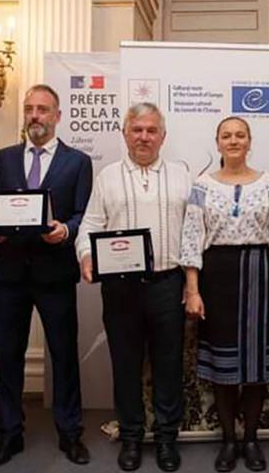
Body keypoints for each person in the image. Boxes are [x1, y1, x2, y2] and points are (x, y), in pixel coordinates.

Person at [76, 103, 192, 472]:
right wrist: (85, 256)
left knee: (168, 364)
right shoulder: (107, 176)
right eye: (137, 129)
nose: (144, 137)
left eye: (151, 130)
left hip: (167, 282)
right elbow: (91, 224)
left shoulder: (181, 175)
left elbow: (194, 230)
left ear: (163, 136)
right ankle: (130, 436)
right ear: (125, 133)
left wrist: (192, 284)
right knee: (125, 363)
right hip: (120, 287)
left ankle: (166, 438)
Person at [0, 84, 93, 468]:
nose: (35, 116)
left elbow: (83, 214)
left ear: (57, 116)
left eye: (43, 109)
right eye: (29, 109)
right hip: (11, 273)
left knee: (64, 356)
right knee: (9, 357)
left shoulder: (77, 161)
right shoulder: (6, 157)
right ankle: (9, 434)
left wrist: (64, 230)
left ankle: (70, 433)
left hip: (55, 273)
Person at [180, 117, 269, 472]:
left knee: (255, 366)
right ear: (218, 143)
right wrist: (193, 290)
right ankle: (229, 441)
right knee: (224, 366)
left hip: (261, 275)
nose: (233, 140)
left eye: (239, 135)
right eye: (226, 135)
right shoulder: (202, 185)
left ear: (249, 141)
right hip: (217, 276)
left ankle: (252, 440)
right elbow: (192, 238)